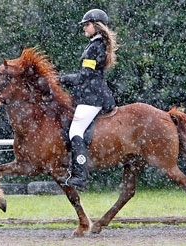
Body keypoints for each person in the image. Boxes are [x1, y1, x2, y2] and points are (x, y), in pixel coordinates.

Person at [59, 9, 118, 191]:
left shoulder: (95, 46)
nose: (84, 28)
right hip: (89, 94)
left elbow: (84, 77)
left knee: (75, 131)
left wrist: (60, 79)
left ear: (97, 26)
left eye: (87, 25)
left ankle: (80, 176)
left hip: (93, 97)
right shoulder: (96, 45)